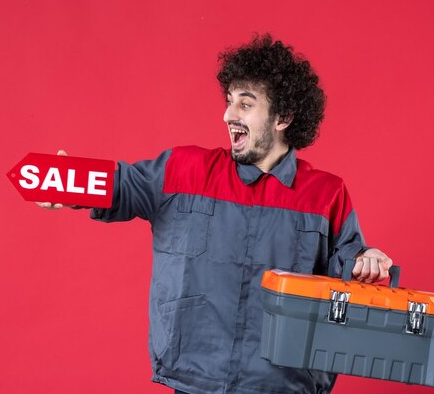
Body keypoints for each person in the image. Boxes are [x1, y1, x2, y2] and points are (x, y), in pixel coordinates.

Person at [38, 34, 392, 394]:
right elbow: (124, 185)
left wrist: (368, 259)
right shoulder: (183, 169)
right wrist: (70, 183)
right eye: (228, 101)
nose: (228, 115)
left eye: (245, 104)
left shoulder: (326, 194)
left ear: (283, 117)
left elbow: (350, 265)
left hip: (283, 385)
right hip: (195, 379)